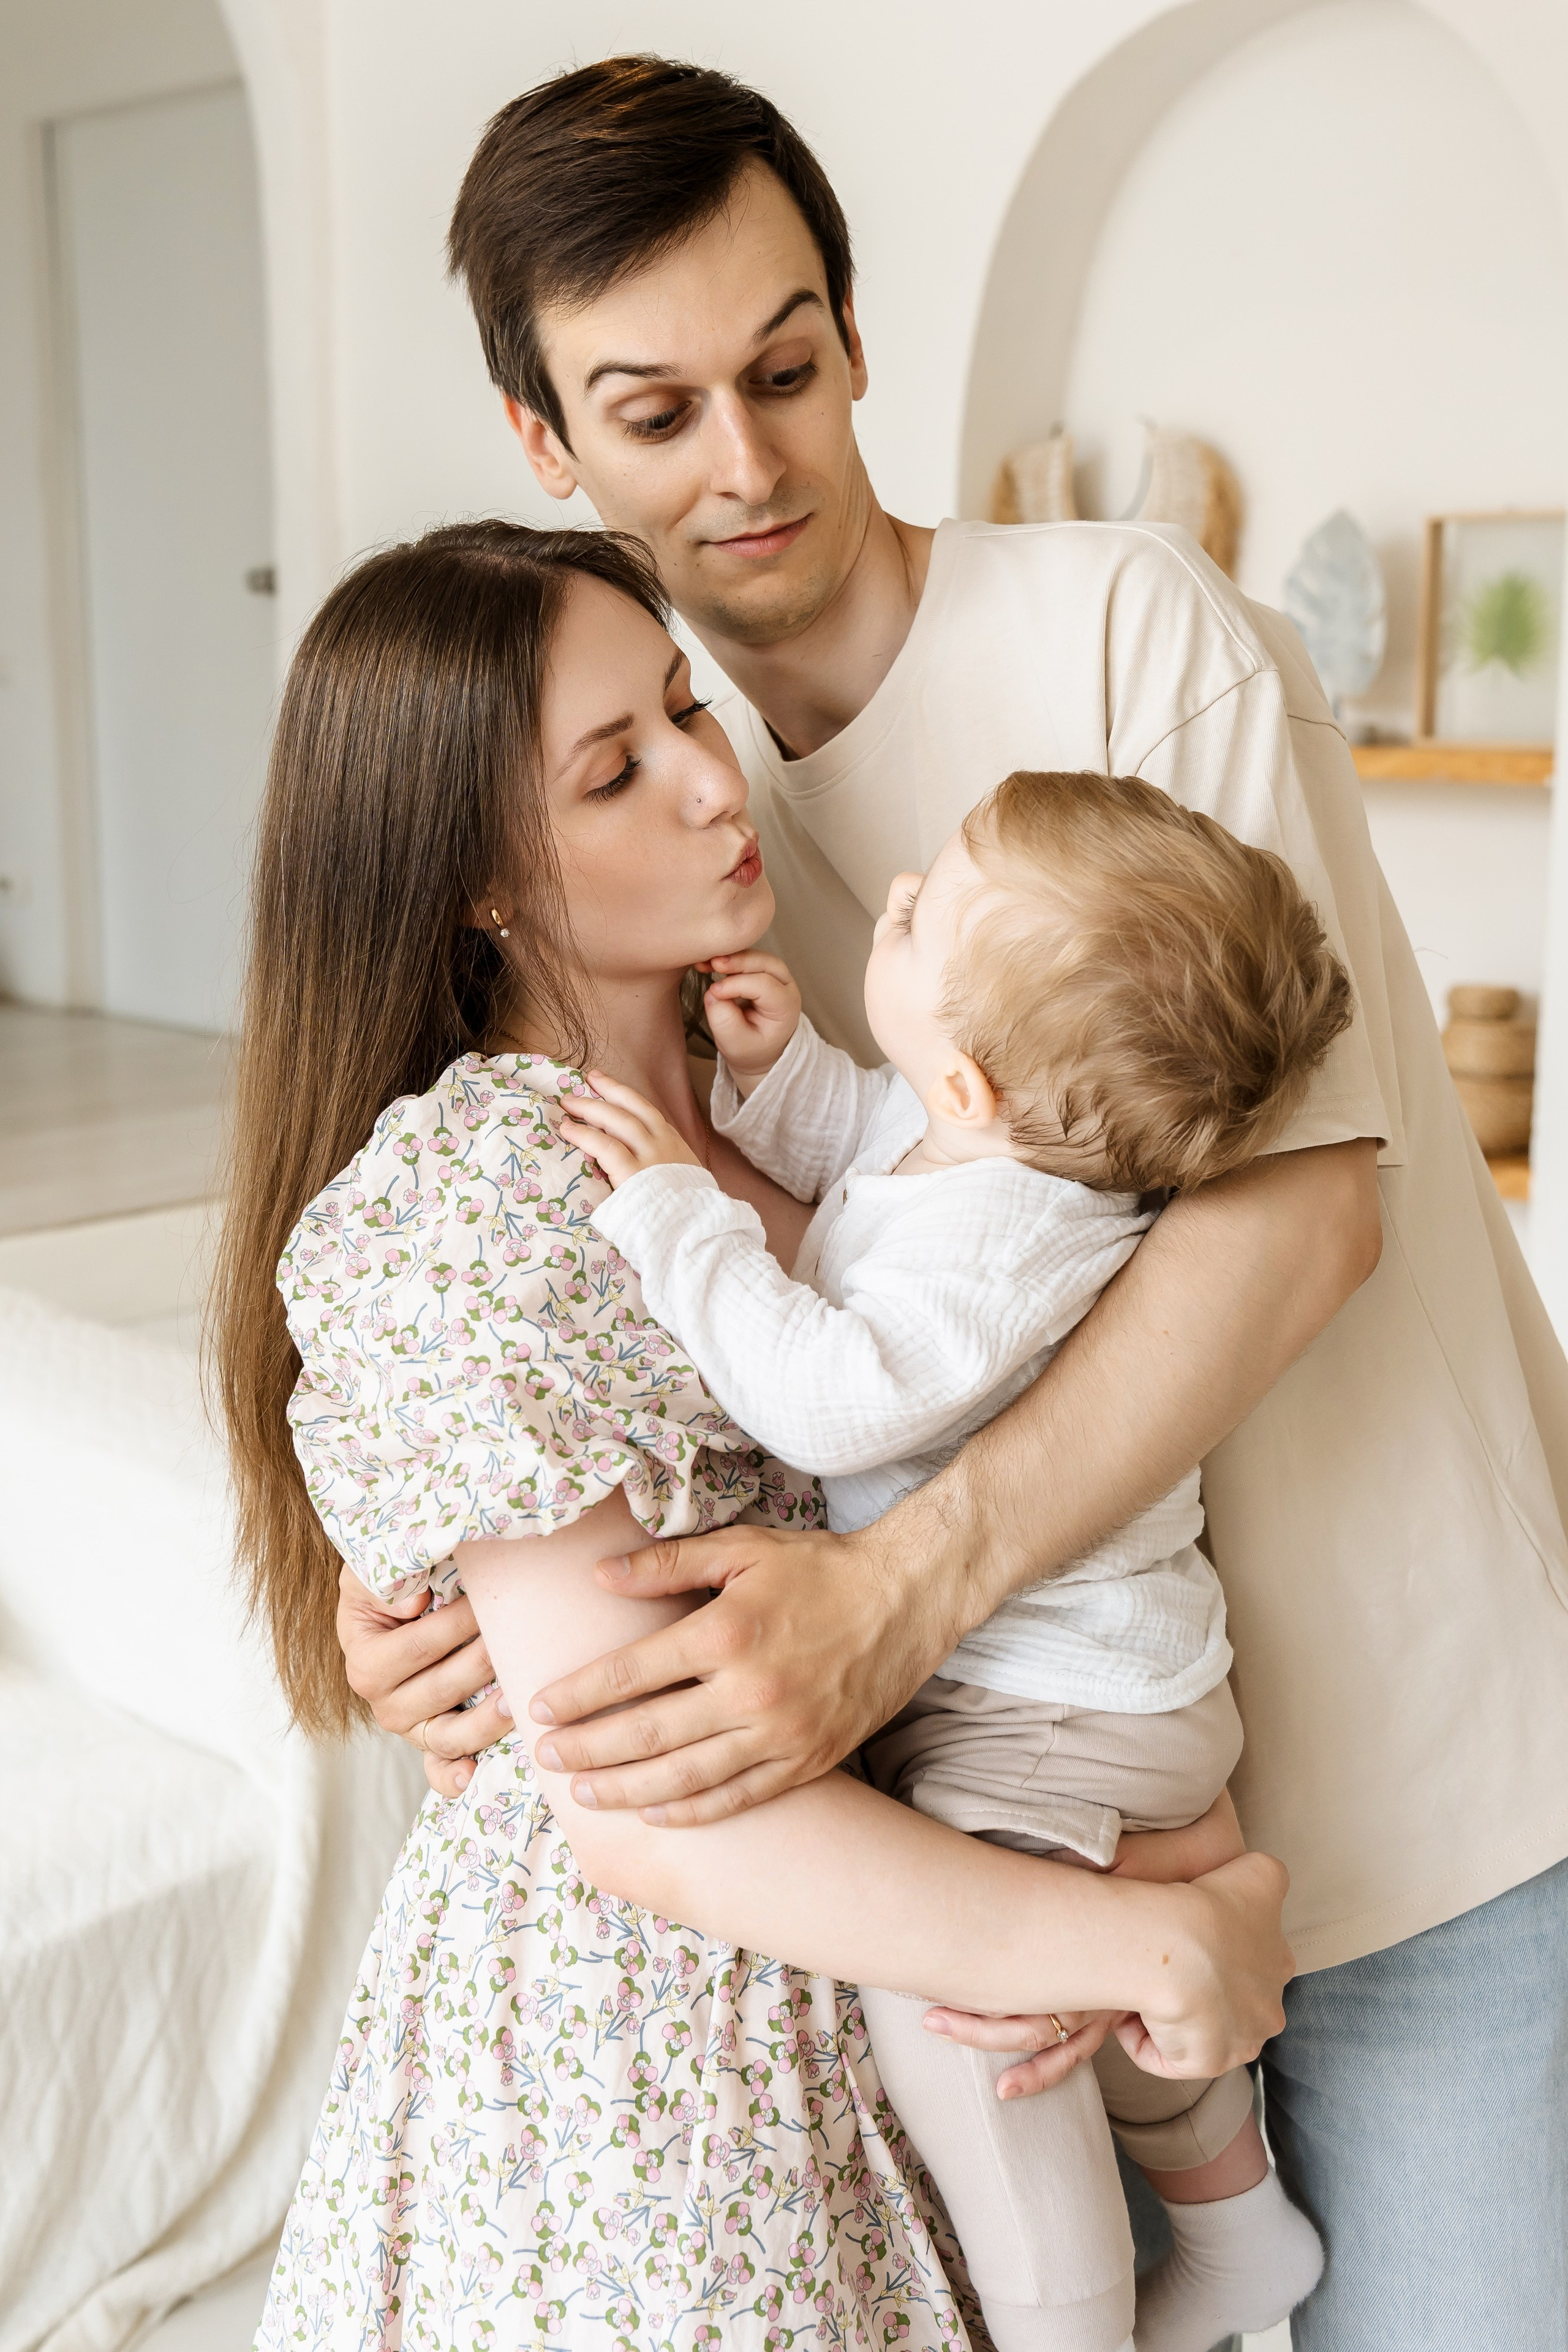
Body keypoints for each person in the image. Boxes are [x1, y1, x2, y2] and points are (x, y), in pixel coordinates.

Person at [336, 58, 1568, 2348]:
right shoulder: (649, 815)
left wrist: (889, 1603)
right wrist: (440, 1606)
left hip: (1402, 1788)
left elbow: (1294, 1219)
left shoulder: (1130, 637)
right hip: (998, 1866)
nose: (746, 462)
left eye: (787, 369)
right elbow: (552, 1305)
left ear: (856, 334)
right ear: (542, 440)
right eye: (656, 407)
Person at [218, 519, 1289, 2348]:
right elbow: (650, 1821)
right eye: (618, 769)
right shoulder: (486, 1189)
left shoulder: (845, 1128)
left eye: (688, 714)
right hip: (654, 2089)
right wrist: (1156, 1943)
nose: (717, 787)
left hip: (903, 1980)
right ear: (477, 878)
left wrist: (1179, 1869)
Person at [560, 763, 1347, 2352]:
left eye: (918, 911)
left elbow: (833, 1398)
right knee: (1120, 2020)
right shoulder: (1016, 1170)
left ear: (978, 1086)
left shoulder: (994, 1254)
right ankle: (1240, 2231)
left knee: (966, 2023)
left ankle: (1066, 2325)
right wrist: (784, 1083)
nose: (892, 902)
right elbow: (882, 1153)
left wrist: (674, 1214)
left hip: (1034, 1708)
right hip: (1127, 1693)